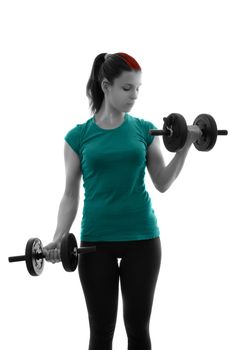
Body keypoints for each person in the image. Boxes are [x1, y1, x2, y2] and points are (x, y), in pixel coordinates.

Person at [43, 52, 201, 350]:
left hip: (142, 239)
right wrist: (58, 237)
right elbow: (69, 194)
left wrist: (185, 147)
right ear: (106, 86)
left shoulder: (145, 129)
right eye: (127, 88)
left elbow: (162, 183)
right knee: (101, 332)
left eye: (138, 88)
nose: (135, 95)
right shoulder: (78, 137)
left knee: (138, 331)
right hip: (94, 243)